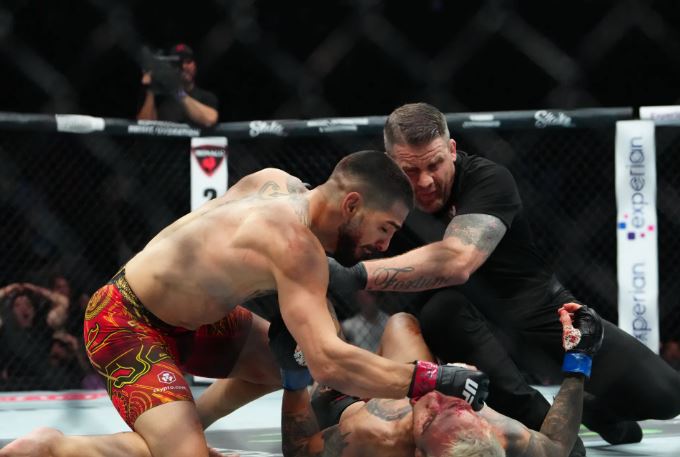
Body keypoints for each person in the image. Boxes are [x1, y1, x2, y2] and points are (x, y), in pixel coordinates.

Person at [0, 150, 489, 457]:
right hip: (126, 321)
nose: (383, 245)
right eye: (385, 228)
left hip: (198, 321)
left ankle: (187, 426)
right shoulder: (297, 248)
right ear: (352, 205)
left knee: (289, 365)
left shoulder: (275, 182)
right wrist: (433, 377)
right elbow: (330, 363)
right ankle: (54, 448)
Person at [328, 103, 680, 454]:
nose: (425, 181)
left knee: (666, 395)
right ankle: (541, 418)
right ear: (390, 164)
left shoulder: (487, 179)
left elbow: (457, 261)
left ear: (452, 150)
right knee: (441, 311)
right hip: (459, 329)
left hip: (535, 305)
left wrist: (354, 276)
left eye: (434, 164)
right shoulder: (374, 201)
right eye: (409, 170)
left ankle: (591, 409)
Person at [273, 302, 602, 457]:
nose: (438, 396)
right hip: (406, 383)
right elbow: (557, 445)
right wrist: (580, 358)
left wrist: (294, 376)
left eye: (431, 418)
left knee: (316, 322)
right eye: (461, 406)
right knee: (401, 323)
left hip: (346, 403)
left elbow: (297, 449)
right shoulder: (500, 436)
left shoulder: (371, 436)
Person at [136, 43, 219, 128]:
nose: (184, 67)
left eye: (188, 61)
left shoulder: (206, 97)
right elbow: (144, 127)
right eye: (178, 64)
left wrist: (178, 92)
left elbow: (210, 119)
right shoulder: (160, 98)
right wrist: (151, 88)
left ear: (195, 65)